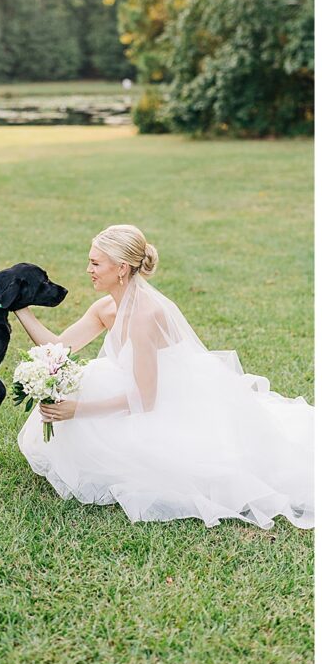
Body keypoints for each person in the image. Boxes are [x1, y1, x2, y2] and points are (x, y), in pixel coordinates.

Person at [15, 223, 312, 529]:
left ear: (121, 268)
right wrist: (17, 306)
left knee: (194, 464)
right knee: (87, 384)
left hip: (170, 401)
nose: (88, 269)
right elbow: (58, 347)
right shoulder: (106, 307)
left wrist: (77, 411)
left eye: (94, 263)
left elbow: (145, 399)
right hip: (135, 388)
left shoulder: (145, 316)